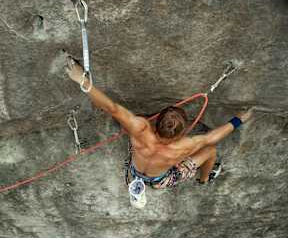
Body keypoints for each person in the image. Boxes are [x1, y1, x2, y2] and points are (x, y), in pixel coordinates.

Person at [64, 56, 253, 188]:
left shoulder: (140, 128)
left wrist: (82, 80)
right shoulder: (186, 144)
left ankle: (197, 178)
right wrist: (239, 119)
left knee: (126, 122)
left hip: (134, 170)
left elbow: (111, 107)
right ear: (182, 133)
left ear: (158, 119)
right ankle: (204, 180)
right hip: (161, 179)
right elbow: (212, 138)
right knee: (210, 150)